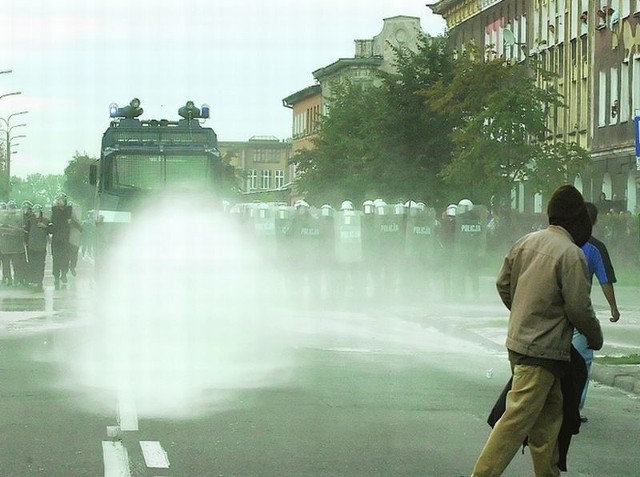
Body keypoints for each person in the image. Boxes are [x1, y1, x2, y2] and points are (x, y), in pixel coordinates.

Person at [470, 185, 603, 477]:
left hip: (523, 345)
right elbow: (579, 308)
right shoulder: (571, 254)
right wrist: (596, 337)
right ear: (577, 221)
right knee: (514, 423)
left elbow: (503, 284)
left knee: (547, 426)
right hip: (542, 352)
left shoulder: (525, 242)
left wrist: (523, 312)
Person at [573, 202, 620, 422]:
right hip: (579, 312)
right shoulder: (595, 248)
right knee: (582, 360)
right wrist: (613, 307)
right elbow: (605, 279)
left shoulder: (559, 242)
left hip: (552, 312)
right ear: (594, 222)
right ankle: (574, 407)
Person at [49, 193, 72, 289]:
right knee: (56, 259)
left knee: (65, 258)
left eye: (61, 200)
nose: (59, 201)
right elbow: (52, 222)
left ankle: (64, 274)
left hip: (66, 238)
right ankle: (56, 277)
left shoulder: (68, 210)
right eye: (58, 199)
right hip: (56, 238)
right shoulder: (54, 210)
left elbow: (69, 219)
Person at [25, 204, 50, 291]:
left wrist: (45, 227)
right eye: (34, 211)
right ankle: (33, 279)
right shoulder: (30, 220)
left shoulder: (46, 220)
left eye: (37, 211)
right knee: (32, 264)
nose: (36, 213)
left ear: (41, 212)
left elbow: (51, 230)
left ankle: (40, 281)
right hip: (32, 246)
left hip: (41, 247)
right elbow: (26, 231)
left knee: (41, 265)